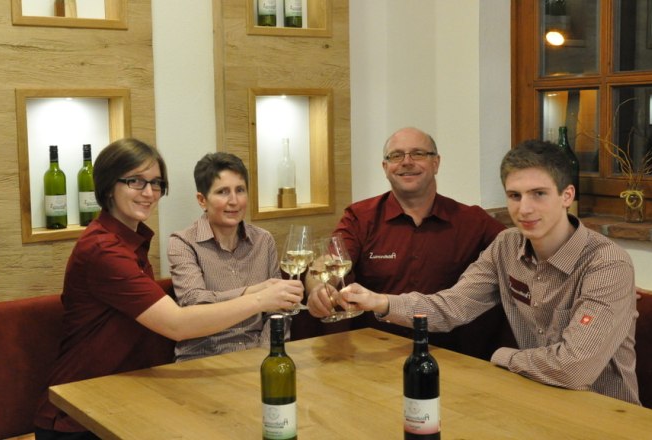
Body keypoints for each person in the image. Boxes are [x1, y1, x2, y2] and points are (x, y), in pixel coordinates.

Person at [33, 139, 303, 439]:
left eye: (156, 183)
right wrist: (260, 298)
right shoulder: (103, 249)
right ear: (109, 186)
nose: (149, 193)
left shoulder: (129, 240)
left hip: (127, 394)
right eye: (135, 182)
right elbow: (177, 324)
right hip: (79, 411)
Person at [341, 139, 640, 404]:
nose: (524, 209)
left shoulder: (607, 265)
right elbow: (452, 306)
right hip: (533, 399)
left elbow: (574, 369)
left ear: (567, 195)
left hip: (603, 413)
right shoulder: (507, 245)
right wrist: (380, 302)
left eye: (539, 194)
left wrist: (501, 356)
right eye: (514, 195)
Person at [306, 127, 507, 360]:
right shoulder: (361, 217)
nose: (406, 162)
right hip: (375, 355)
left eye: (418, 154)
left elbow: (517, 252)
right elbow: (329, 261)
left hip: (449, 356)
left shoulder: (472, 221)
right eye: (396, 156)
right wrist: (318, 287)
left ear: (436, 163)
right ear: (385, 168)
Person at [168, 152, 303, 361]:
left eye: (240, 190)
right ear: (202, 200)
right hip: (204, 360)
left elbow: (278, 311)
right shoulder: (183, 243)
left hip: (259, 356)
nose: (234, 201)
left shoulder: (263, 240)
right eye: (223, 192)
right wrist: (254, 294)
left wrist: (267, 355)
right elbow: (196, 304)